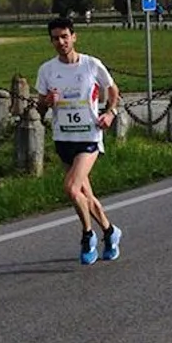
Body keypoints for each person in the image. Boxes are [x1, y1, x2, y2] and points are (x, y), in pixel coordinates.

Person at [35, 17, 122, 264]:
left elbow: (113, 90)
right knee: (84, 194)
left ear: (74, 37)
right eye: (55, 38)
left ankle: (87, 235)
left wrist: (110, 112)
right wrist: (46, 102)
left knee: (71, 188)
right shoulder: (47, 70)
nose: (60, 42)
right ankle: (110, 231)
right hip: (63, 138)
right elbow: (40, 108)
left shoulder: (91, 65)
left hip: (89, 136)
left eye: (65, 36)